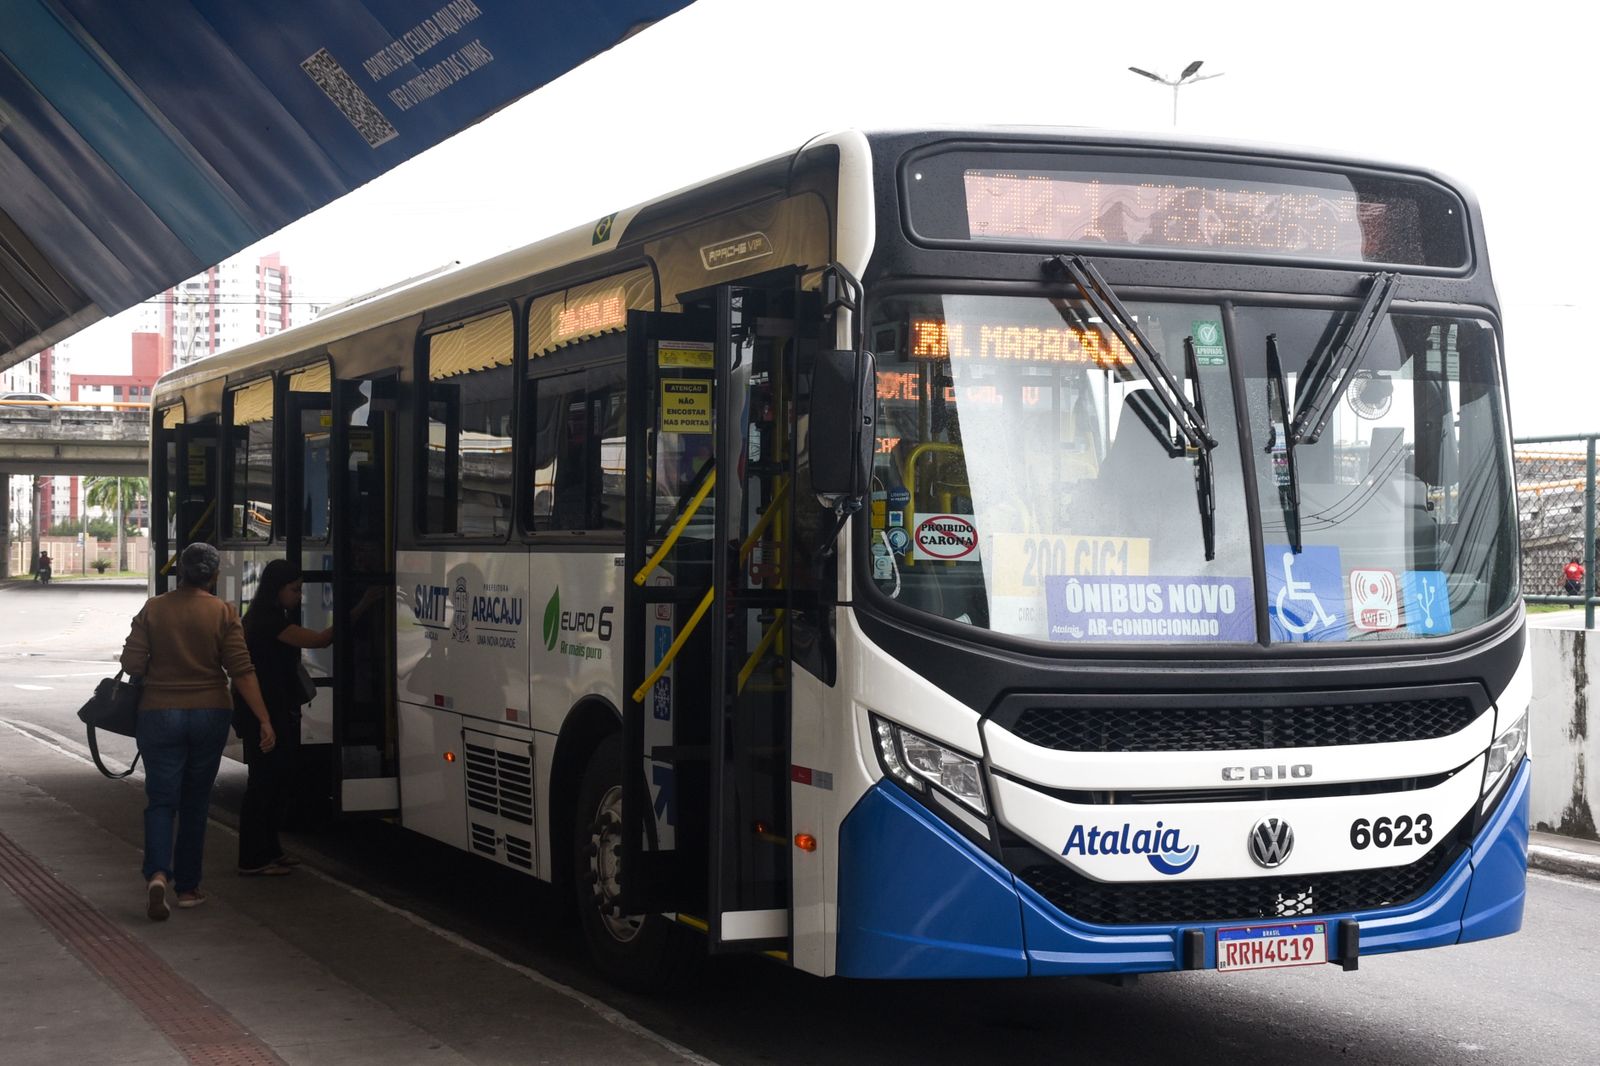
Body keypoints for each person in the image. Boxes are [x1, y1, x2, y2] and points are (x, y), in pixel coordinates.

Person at [120, 542, 273, 920]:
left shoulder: (154, 608)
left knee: (161, 800)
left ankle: (157, 874)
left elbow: (132, 662)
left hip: (159, 713)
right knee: (195, 802)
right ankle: (188, 888)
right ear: (214, 575)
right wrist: (264, 718)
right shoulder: (223, 612)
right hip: (210, 713)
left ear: (180, 573)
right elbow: (241, 669)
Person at [234, 560, 380, 875]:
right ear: (277, 589)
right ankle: (252, 858)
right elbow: (320, 640)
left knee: (276, 782)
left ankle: (270, 850)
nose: (299, 596)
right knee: (264, 785)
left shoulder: (266, 617)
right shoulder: (269, 622)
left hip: (274, 709)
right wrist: (362, 605)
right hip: (266, 713)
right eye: (295, 590)